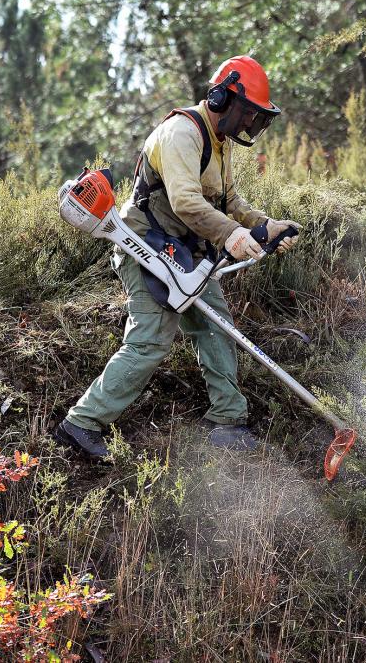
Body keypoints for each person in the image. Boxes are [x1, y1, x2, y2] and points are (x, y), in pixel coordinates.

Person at [53, 55, 301, 459]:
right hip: (147, 248)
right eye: (247, 114)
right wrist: (233, 235)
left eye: (256, 119)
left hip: (186, 253)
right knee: (150, 341)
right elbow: (186, 202)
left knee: (215, 326)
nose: (248, 125)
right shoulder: (181, 134)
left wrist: (264, 224)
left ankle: (228, 421)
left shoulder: (217, 141)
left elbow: (227, 198)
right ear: (223, 99)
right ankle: (80, 425)